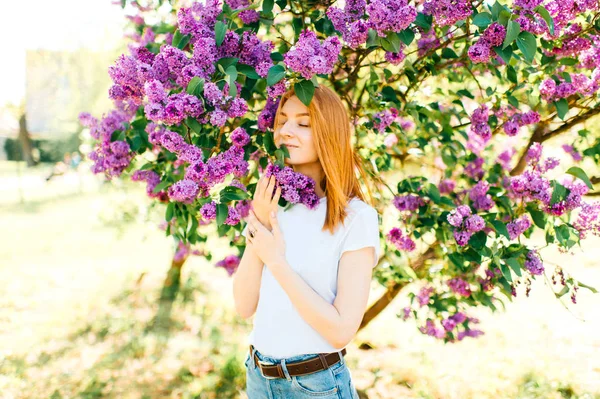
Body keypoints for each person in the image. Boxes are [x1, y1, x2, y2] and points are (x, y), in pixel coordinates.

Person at [233, 85, 381, 398]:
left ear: (329, 134)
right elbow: (243, 306)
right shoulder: (274, 203)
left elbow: (341, 331)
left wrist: (276, 261)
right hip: (259, 377)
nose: (286, 130)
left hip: (315, 385)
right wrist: (259, 221)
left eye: (303, 123)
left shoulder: (355, 217)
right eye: (281, 120)